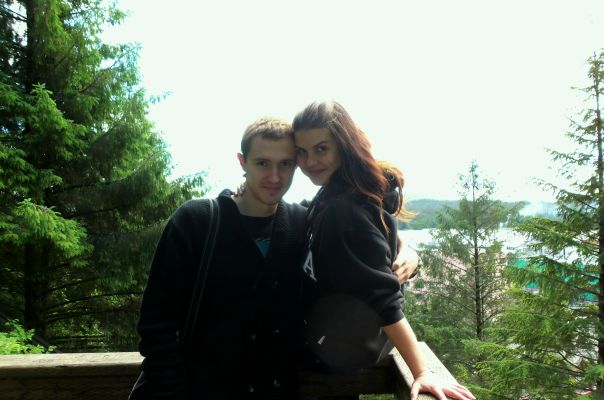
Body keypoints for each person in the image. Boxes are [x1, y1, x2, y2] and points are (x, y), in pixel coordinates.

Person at [136, 116, 418, 399]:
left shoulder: (302, 223)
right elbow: (157, 326)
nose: (274, 177)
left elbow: (364, 232)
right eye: (262, 163)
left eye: (285, 164)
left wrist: (408, 252)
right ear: (242, 162)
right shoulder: (197, 222)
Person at [292, 101, 476, 400]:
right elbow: (374, 237)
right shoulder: (336, 194)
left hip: (333, 354)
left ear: (343, 145)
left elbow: (382, 299)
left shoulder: (345, 209)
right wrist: (406, 248)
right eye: (302, 151)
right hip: (337, 342)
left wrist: (421, 372)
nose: (310, 160)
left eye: (321, 148)